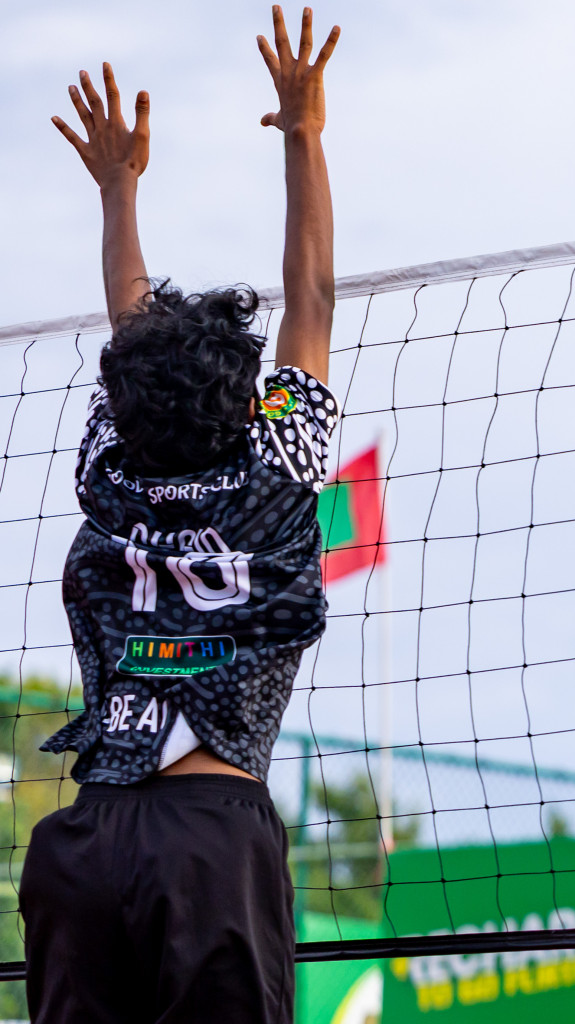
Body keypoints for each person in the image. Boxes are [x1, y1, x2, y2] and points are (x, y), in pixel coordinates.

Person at [19, 8, 341, 1022]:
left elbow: (131, 326)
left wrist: (118, 190)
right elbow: (313, 297)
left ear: (126, 395)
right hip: (209, 839)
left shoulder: (109, 462)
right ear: (249, 404)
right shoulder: (278, 462)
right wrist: (303, 136)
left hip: (88, 837)